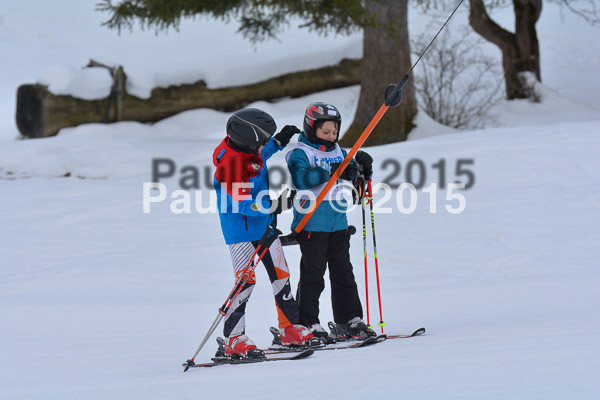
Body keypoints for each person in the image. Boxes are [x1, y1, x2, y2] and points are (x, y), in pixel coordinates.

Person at [212, 108, 315, 356]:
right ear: (248, 142)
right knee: (246, 281)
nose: (265, 147)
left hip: (265, 227)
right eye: (264, 142)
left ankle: (289, 329)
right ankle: (234, 339)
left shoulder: (247, 153)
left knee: (281, 276)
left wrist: (278, 142)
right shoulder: (232, 164)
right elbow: (239, 201)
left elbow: (259, 158)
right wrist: (273, 205)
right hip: (241, 233)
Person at [285, 102, 376, 340]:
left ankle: (349, 319)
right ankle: (308, 322)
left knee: (343, 272)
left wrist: (363, 170)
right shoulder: (300, 152)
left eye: (334, 132)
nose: (331, 136)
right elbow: (301, 179)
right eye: (325, 131)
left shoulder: (338, 152)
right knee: (313, 275)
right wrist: (327, 172)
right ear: (310, 127)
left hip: (338, 222)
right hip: (311, 222)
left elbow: (357, 186)